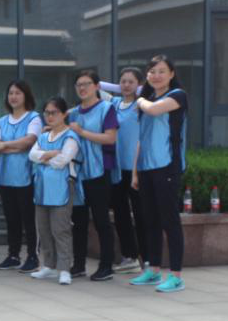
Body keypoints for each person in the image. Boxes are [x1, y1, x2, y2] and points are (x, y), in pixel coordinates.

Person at [131, 54, 188, 293]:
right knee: (150, 221)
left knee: (170, 221)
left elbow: (154, 110)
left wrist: (139, 99)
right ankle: (153, 270)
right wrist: (135, 172)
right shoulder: (148, 100)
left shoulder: (177, 96)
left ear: (171, 74)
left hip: (168, 167)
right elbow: (141, 140)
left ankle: (176, 276)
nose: (156, 76)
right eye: (152, 71)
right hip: (146, 168)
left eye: (161, 71)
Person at [68, 69, 119, 282]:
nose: (82, 88)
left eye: (86, 84)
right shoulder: (73, 113)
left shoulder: (106, 108)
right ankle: (78, 264)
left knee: (101, 220)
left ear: (97, 86)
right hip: (78, 174)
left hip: (99, 171)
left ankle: (106, 265)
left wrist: (82, 132)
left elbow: (110, 138)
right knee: (78, 221)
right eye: (79, 84)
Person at [29, 96, 80, 286]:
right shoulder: (43, 136)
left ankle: (64, 268)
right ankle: (49, 265)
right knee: (44, 229)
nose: (50, 116)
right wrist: (50, 154)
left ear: (64, 114)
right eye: (47, 113)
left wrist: (42, 158)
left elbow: (63, 160)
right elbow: (32, 155)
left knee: (61, 229)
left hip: (62, 188)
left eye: (54, 112)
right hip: (42, 189)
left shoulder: (70, 136)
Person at [0, 80, 40, 272]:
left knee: (29, 219)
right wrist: (14, 147)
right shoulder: (3, 120)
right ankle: (13, 255)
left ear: (26, 95)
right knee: (11, 219)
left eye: (18, 93)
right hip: (5, 178)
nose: (13, 96)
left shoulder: (33, 118)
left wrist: (6, 145)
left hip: (26, 177)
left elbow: (29, 141)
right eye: (11, 93)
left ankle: (33, 256)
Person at [110, 68, 148, 274]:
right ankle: (129, 257)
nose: (126, 85)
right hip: (118, 168)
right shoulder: (114, 104)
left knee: (141, 214)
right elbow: (96, 88)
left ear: (138, 85)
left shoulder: (142, 105)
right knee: (121, 214)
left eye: (131, 82)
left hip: (136, 168)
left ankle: (148, 259)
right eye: (123, 81)